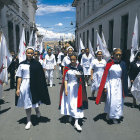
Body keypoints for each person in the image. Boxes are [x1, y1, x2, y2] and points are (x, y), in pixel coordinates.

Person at [16, 47, 51, 130]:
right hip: (25, 85)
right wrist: (18, 88)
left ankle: (37, 110)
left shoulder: (37, 64)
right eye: (28, 53)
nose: (30, 55)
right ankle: (28, 121)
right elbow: (19, 77)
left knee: (35, 100)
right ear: (26, 53)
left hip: (34, 84)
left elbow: (40, 77)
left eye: (32, 53)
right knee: (27, 103)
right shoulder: (21, 64)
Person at [96, 48, 128, 124]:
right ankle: (109, 114)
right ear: (113, 55)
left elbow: (125, 76)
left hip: (119, 85)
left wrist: (126, 86)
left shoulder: (123, 64)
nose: (118, 56)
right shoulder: (109, 63)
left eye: (120, 55)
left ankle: (116, 116)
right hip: (110, 84)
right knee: (111, 100)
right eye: (117, 55)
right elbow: (106, 76)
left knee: (118, 101)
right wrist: (105, 87)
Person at [59, 54, 88, 131]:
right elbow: (65, 79)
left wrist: (79, 78)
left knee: (76, 104)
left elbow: (82, 79)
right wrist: (65, 89)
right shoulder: (67, 68)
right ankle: (71, 116)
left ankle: (76, 122)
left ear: (76, 59)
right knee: (70, 103)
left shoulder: (79, 67)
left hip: (77, 88)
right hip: (69, 87)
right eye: (71, 59)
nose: (72, 61)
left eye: (74, 59)